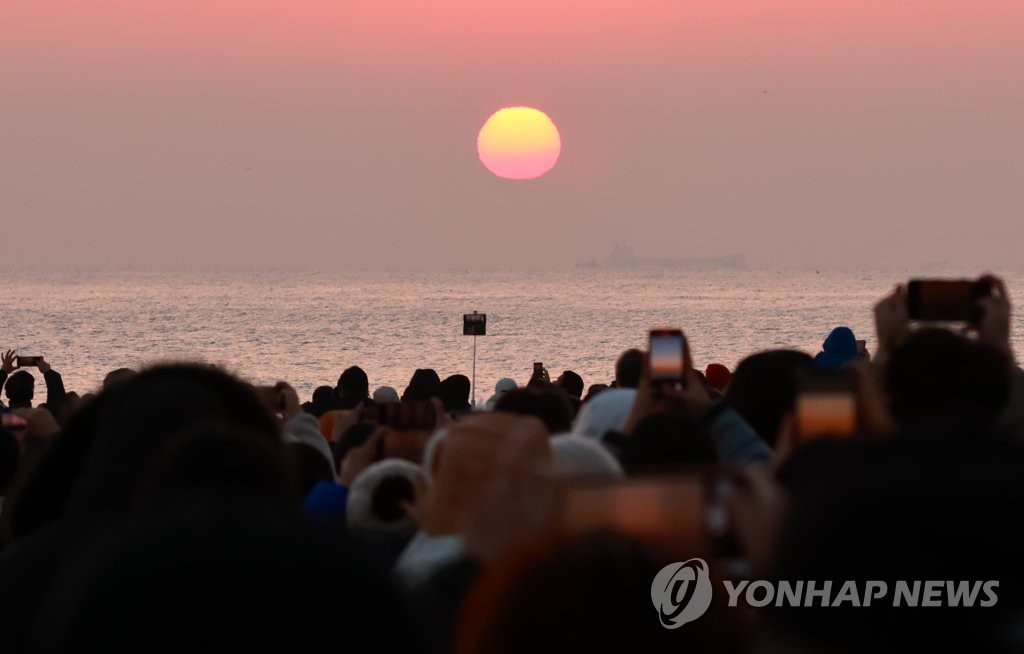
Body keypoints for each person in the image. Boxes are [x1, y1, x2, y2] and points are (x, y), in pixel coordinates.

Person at [1, 351, 67, 415]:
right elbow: (57, 399)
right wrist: (48, 371)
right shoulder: (44, 417)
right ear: (32, 392)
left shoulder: (3, 416)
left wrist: (3, 371)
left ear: (6, 393)